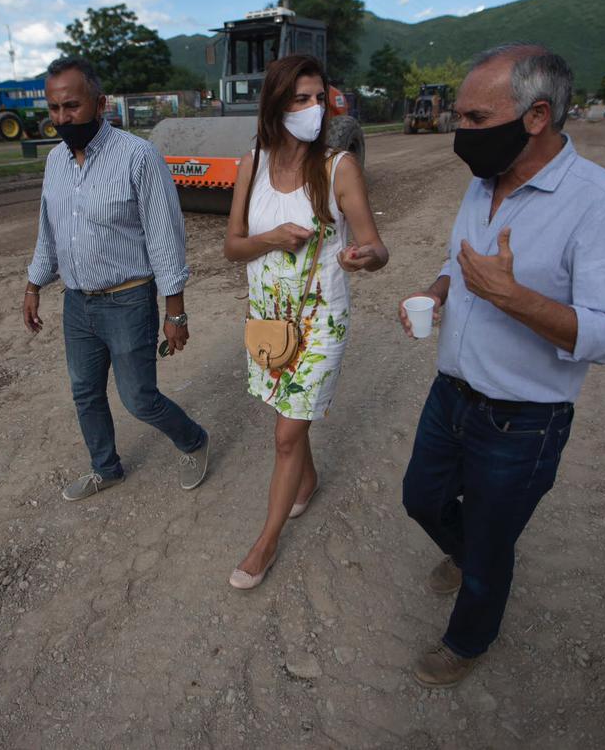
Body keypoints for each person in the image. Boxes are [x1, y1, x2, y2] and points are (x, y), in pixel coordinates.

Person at [398, 43, 605, 687]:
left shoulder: (603, 205)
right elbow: (461, 261)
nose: (461, 133)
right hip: (450, 392)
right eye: (459, 117)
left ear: (537, 116)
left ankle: (467, 640)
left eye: (475, 119)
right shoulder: (483, 184)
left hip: (522, 420)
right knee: (420, 500)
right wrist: (439, 290)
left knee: (489, 547)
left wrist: (515, 298)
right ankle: (463, 550)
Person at [223, 54, 389, 589]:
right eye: (301, 99)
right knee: (290, 413)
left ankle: (264, 544)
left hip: (320, 319)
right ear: (275, 104)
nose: (315, 110)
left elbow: (376, 247)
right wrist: (272, 238)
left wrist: (362, 257)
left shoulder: (338, 167)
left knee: (286, 432)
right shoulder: (253, 162)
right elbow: (231, 248)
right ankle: (307, 481)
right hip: (270, 315)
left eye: (320, 98)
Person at [23, 57, 212, 502]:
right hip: (77, 304)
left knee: (139, 399)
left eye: (72, 106)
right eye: (54, 109)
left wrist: (175, 313)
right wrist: (34, 285)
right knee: (85, 394)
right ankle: (105, 468)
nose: (62, 118)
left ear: (100, 103)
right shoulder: (55, 163)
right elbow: (49, 233)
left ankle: (194, 440)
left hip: (128, 302)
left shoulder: (137, 156)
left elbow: (165, 236)